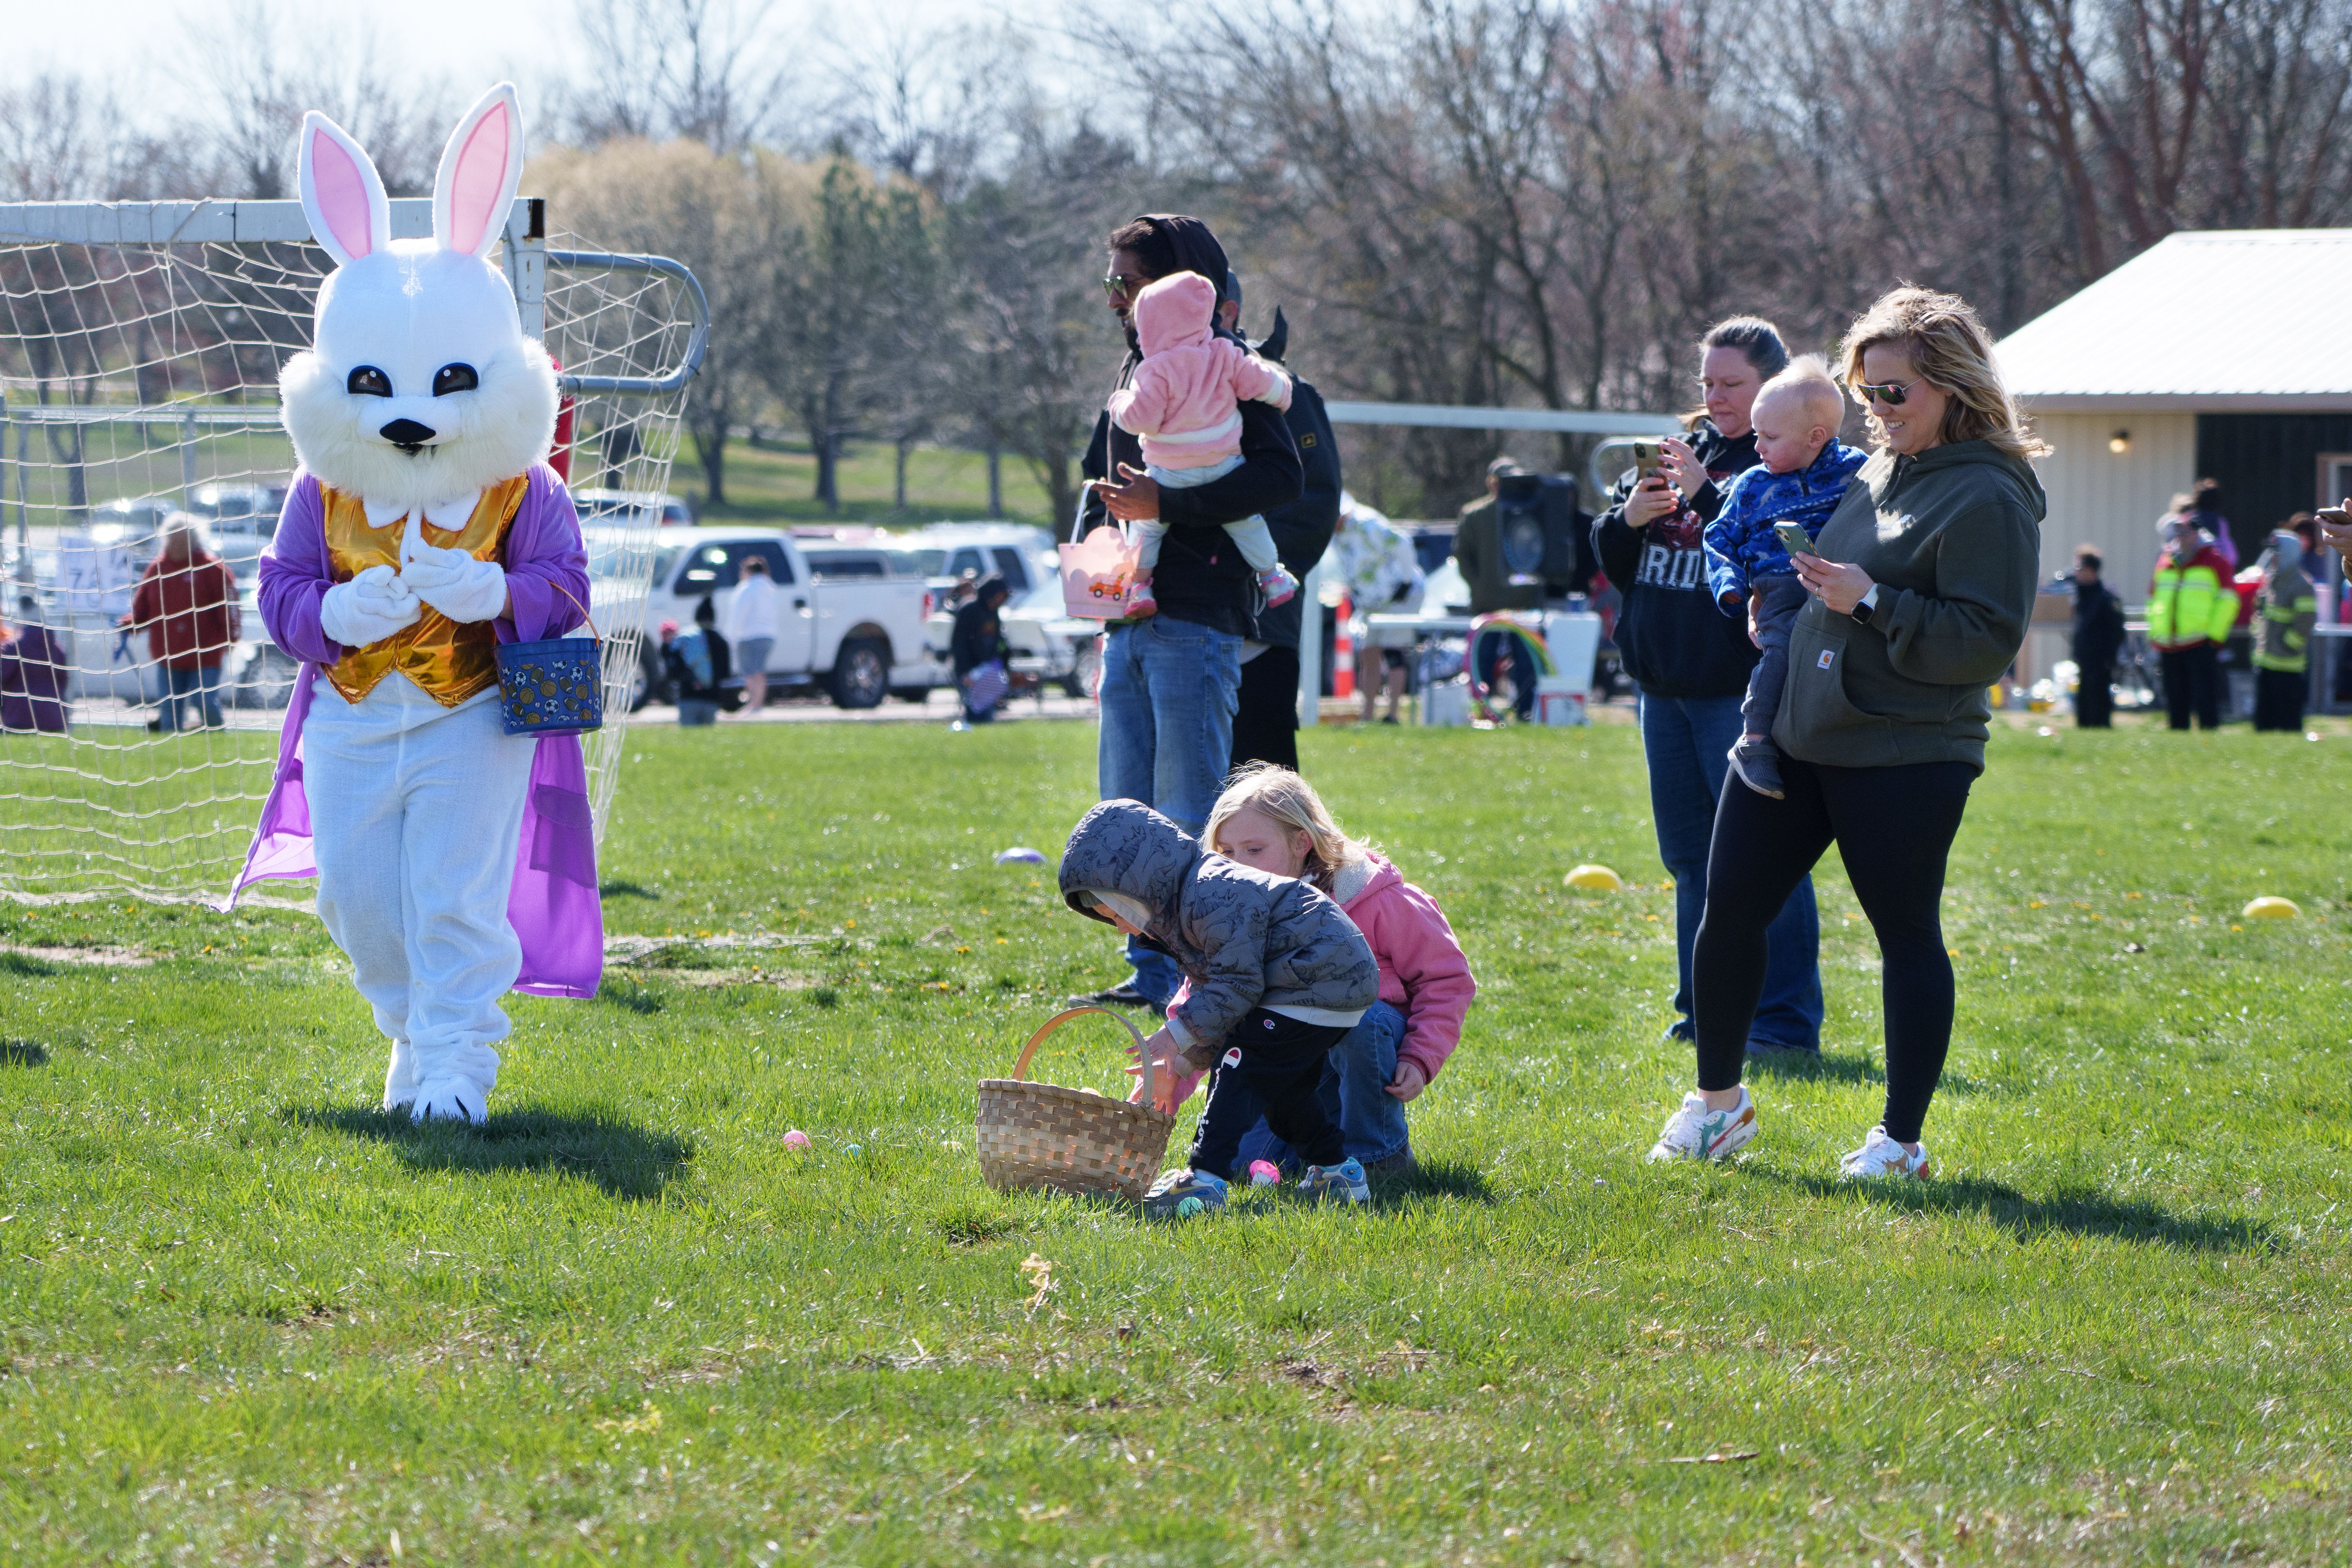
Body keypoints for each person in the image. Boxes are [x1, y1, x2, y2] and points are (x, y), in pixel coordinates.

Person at [1651, 285, 2045, 1180]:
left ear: (1953, 387)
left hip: (1907, 749)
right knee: (1729, 911)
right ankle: (1719, 1106)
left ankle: (1899, 1143)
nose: (1877, 411)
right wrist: (1772, 594)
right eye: (1868, 393)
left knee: (1905, 934)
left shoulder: (1990, 494)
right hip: (1798, 732)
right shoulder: (1876, 470)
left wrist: (1868, 599)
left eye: (1894, 394)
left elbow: (1985, 642)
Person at [1071, 214, 1304, 1012]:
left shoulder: (1224, 365)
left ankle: (1214, 980)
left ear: (1174, 286)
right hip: (1129, 619)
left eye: (1125, 282)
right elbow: (1106, 490)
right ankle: (1153, 975)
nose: (1113, 297)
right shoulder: (1141, 371)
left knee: (1189, 811)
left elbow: (1280, 476)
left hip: (1196, 616)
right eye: (1111, 282)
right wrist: (1091, 568)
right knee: (1124, 813)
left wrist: (1165, 500)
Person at [1591, 316, 1823, 1057]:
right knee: (1691, 858)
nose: (1716, 398)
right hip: (1664, 686)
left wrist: (1709, 498)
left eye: (1732, 385)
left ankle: (1783, 1022)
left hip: (1740, 692)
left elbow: (1792, 558)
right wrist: (1627, 520)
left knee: (1764, 858)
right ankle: (1703, 1008)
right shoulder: (1677, 450)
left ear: (1772, 389)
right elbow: (1612, 564)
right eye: (1708, 384)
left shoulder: (1787, 459)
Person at [1059, 797, 1380, 1212]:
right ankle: (1337, 1173)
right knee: (1286, 1098)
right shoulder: (1186, 908)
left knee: (1237, 1068)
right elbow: (1225, 1004)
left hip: (1314, 977)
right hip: (1320, 984)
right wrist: (1185, 1060)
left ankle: (1205, 1179)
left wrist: (1175, 1037)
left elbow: (1238, 985)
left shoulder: (1209, 893)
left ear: (1139, 889)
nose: (1120, 927)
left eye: (1118, 913)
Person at [1196, 764, 1473, 1178]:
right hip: (1290, 1055)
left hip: (1363, 1046)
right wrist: (1174, 1060)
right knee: (1239, 1164)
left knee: (1359, 1018)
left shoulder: (1376, 899)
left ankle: (1379, 1155)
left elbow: (1446, 980)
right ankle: (1320, 1150)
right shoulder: (1236, 915)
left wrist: (1420, 1056)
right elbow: (1206, 992)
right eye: (1228, 853)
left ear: (1301, 843)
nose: (1239, 864)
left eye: (1254, 850)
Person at [1700, 358, 1868, 799]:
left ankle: (1829, 734)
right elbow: (1719, 537)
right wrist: (1731, 585)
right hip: (1779, 584)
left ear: (1816, 438)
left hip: (1836, 583)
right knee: (1783, 648)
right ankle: (1754, 740)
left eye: (1769, 437)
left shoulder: (1857, 472)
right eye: (1757, 435)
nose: (1757, 447)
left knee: (1835, 656)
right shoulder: (1753, 486)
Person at [1104, 272, 1299, 617]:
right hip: (1223, 463)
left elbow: (1142, 419)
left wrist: (1118, 401)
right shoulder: (1223, 352)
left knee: (1147, 528)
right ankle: (1272, 576)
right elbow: (1259, 381)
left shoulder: (1155, 369)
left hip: (1171, 472)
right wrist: (1282, 392)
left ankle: (1140, 587)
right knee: (1246, 521)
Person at [1230, 284, 1340, 774]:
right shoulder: (1154, 375)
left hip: (1259, 629)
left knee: (1264, 784)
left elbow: (1314, 501)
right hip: (1176, 626)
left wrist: (1256, 567)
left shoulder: (1280, 388)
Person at [123, 518, 239, 732]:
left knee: (204, 700)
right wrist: (129, 625)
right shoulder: (156, 570)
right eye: (172, 539)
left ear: (194, 540)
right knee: (170, 709)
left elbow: (229, 607)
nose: (176, 544)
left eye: (182, 539)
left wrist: (231, 638)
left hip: (206, 654)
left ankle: (218, 737)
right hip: (168, 653)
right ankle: (170, 750)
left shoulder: (212, 569)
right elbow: (142, 609)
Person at [1453, 457, 1539, 719]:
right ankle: (1486, 710)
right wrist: (1479, 587)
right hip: (1490, 603)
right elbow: (1463, 558)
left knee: (1524, 661)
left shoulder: (1528, 511)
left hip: (1518, 601)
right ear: (1492, 483)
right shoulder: (1475, 515)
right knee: (1484, 659)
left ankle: (1522, 711)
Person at [1330, 493, 1424, 725]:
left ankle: (1392, 716)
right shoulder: (1335, 534)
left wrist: (1405, 581)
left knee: (1394, 653)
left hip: (1399, 596)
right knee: (1368, 654)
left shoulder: (1368, 524)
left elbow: (1403, 544)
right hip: (1371, 602)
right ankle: (1368, 715)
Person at [2147, 514, 2235, 730]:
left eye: (2185, 533)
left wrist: (2214, 638)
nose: (2180, 538)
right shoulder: (2166, 561)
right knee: (2175, 700)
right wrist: (2156, 633)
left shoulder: (2216, 561)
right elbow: (2154, 598)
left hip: (2200, 642)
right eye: (2177, 533)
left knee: (2205, 699)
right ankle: (2178, 740)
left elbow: (2228, 601)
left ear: (2198, 533)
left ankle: (2209, 739)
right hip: (2169, 643)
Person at [2251, 529, 2318, 732]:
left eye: (2276, 552)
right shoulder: (2273, 580)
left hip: (2288, 667)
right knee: (2264, 725)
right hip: (2267, 663)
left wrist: (2288, 646)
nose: (2272, 557)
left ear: (2288, 554)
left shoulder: (2301, 584)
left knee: (2288, 725)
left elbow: (2306, 621)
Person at [2068, 547, 2125, 727]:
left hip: (2100, 659)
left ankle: (2100, 726)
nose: (2075, 574)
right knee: (2084, 697)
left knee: (2098, 696)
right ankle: (2084, 727)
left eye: (2079, 569)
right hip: (2084, 658)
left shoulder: (2106, 598)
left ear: (2090, 570)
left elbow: (2116, 631)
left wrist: (2109, 656)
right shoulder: (2081, 596)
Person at [950, 573, 1014, 728]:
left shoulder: (994, 614)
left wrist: (1006, 668)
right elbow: (959, 644)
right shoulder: (969, 610)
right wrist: (964, 672)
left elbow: (1000, 644)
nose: (1001, 600)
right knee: (976, 713)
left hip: (989, 670)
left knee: (986, 714)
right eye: (999, 596)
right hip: (971, 670)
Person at [1, 593, 70, 734]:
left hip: (18, 720)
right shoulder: (57, 651)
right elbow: (63, 683)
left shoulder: (14, 648)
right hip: (54, 721)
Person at [726, 554, 781, 712]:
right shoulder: (771, 588)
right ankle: (758, 704)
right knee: (760, 672)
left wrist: (731, 636)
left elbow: (738, 614)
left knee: (750, 673)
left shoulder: (747, 588)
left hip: (749, 635)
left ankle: (753, 704)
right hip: (769, 635)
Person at [666, 596, 732, 727]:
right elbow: (726, 674)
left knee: (687, 745)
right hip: (711, 700)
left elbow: (673, 672)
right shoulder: (721, 642)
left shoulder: (687, 639)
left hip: (688, 699)